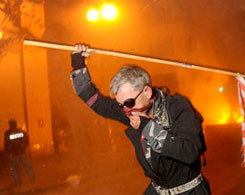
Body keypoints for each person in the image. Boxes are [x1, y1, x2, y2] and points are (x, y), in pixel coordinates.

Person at [70, 44, 210, 194]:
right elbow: (96, 102)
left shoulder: (177, 107)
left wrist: (147, 126)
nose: (125, 110)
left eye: (129, 103)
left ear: (147, 92)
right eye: (120, 104)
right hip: (158, 191)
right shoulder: (130, 109)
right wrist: (78, 63)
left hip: (189, 191)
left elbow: (189, 152)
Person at [3, 119, 35, 186]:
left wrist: (7, 151)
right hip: (22, 152)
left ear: (9, 125)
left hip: (13, 153)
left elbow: (6, 143)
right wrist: (23, 148)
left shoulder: (7, 133)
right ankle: (32, 179)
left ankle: (17, 183)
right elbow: (26, 140)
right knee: (27, 166)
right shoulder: (21, 132)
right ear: (16, 124)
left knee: (14, 168)